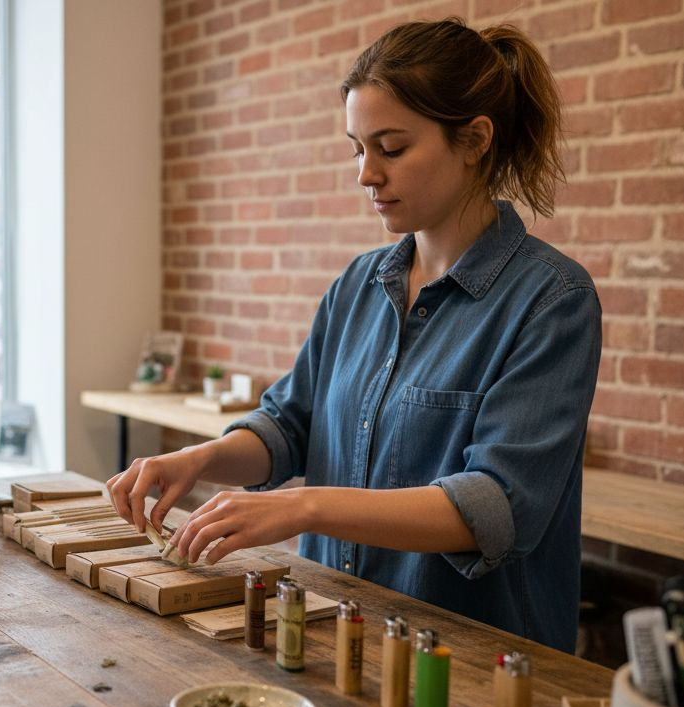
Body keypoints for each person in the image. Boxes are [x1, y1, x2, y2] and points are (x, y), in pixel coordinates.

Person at [107, 18, 601, 652]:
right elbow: (289, 425)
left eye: (390, 148)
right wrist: (200, 459)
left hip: (468, 658)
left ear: (475, 140)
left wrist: (305, 507)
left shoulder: (552, 300)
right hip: (331, 627)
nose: (366, 174)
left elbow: (498, 507)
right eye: (356, 148)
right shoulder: (359, 285)